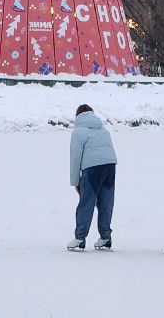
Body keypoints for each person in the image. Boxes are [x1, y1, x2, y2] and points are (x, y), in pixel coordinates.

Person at [67, 103, 117, 252]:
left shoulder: (78, 132)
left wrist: (76, 181)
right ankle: (106, 237)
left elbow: (75, 158)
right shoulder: (104, 130)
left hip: (92, 168)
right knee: (106, 202)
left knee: (86, 202)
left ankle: (80, 238)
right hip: (110, 165)